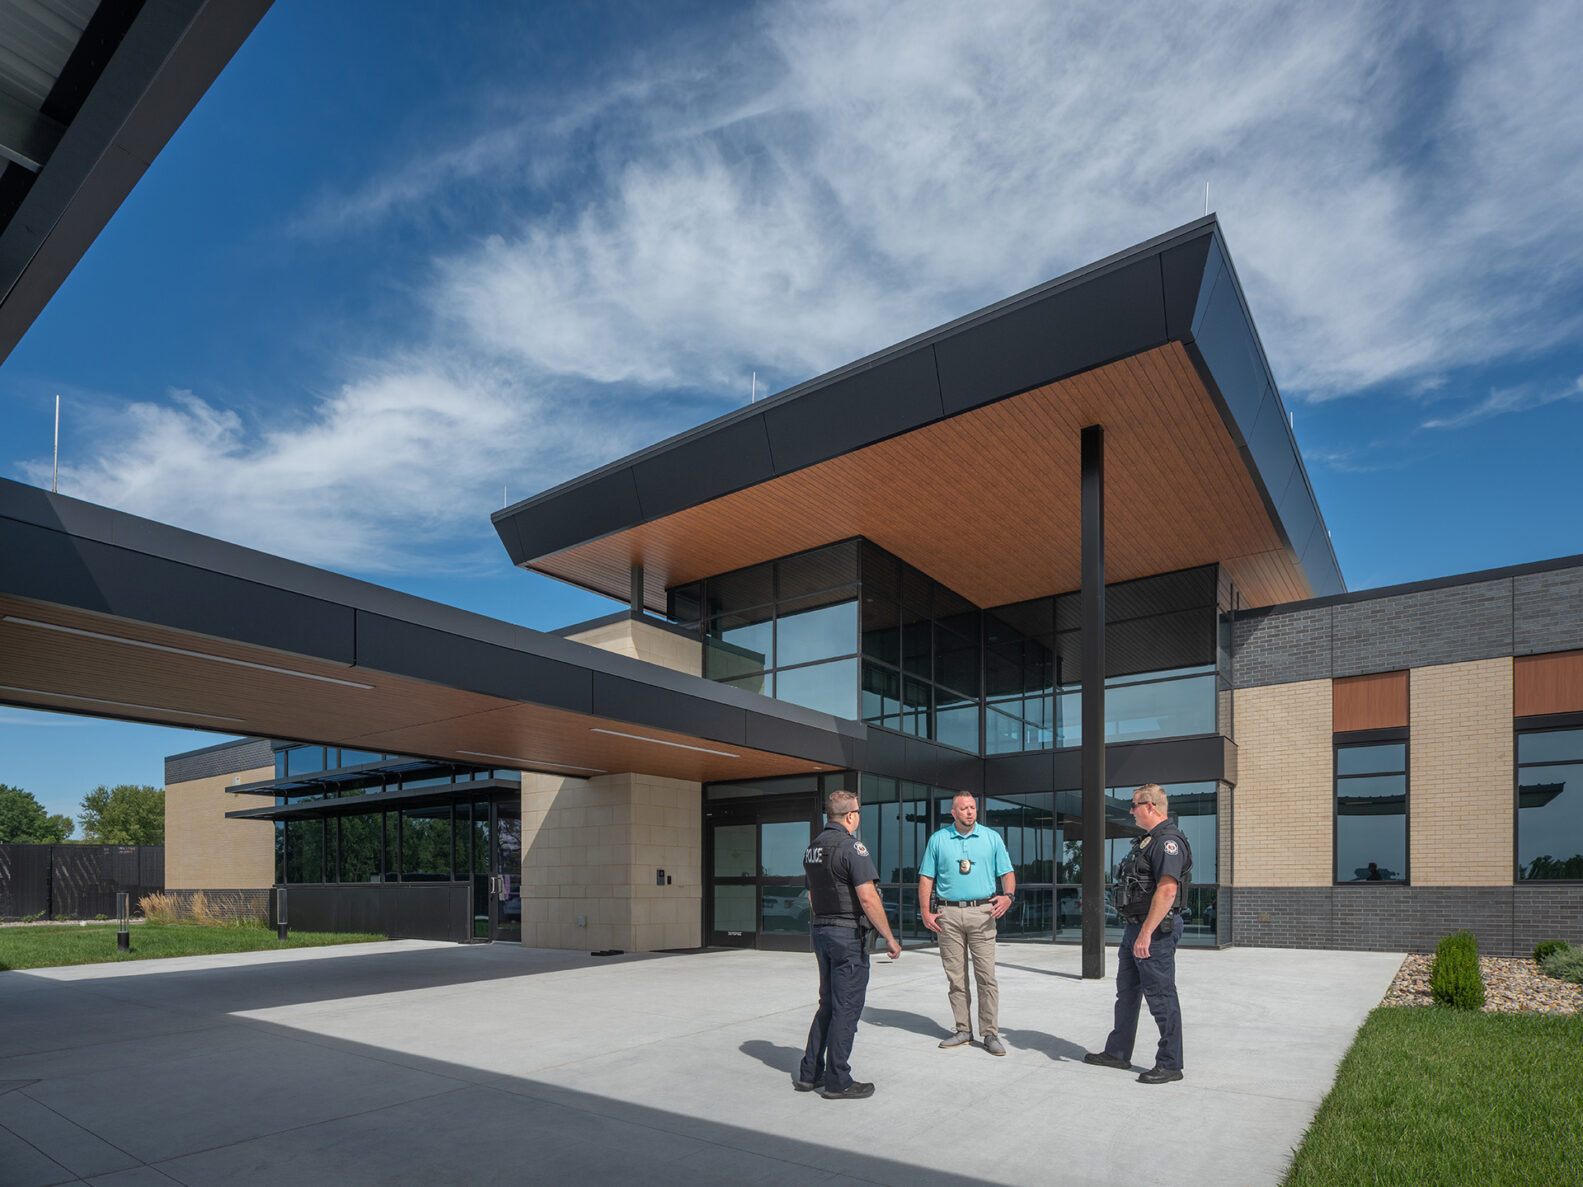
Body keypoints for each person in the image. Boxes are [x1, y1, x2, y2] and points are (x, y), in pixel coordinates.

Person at [1084, 783, 1192, 1084]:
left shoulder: (1168, 841)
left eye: (1134, 805)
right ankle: (1117, 1053)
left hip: (1154, 931)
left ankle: (1170, 1063)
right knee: (1127, 993)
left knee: (1161, 996)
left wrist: (1146, 933)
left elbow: (1168, 890)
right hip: (1137, 927)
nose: (1130, 810)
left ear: (1151, 806)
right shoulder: (1147, 841)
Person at [798, 788, 902, 1100]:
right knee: (846, 1008)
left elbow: (813, 896)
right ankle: (838, 1080)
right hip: (847, 937)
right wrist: (890, 937)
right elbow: (868, 897)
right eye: (857, 812)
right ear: (850, 816)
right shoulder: (851, 847)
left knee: (827, 1004)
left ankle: (809, 1074)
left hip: (821, 931)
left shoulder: (813, 848)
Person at [917, 791, 1015, 1055]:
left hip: (983, 913)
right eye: (964, 808)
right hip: (947, 915)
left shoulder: (991, 838)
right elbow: (926, 878)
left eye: (972, 807)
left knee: (986, 977)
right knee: (956, 978)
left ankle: (990, 1034)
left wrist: (1008, 897)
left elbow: (1007, 872)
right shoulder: (938, 840)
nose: (969, 812)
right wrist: (926, 913)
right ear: (953, 813)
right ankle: (963, 1030)